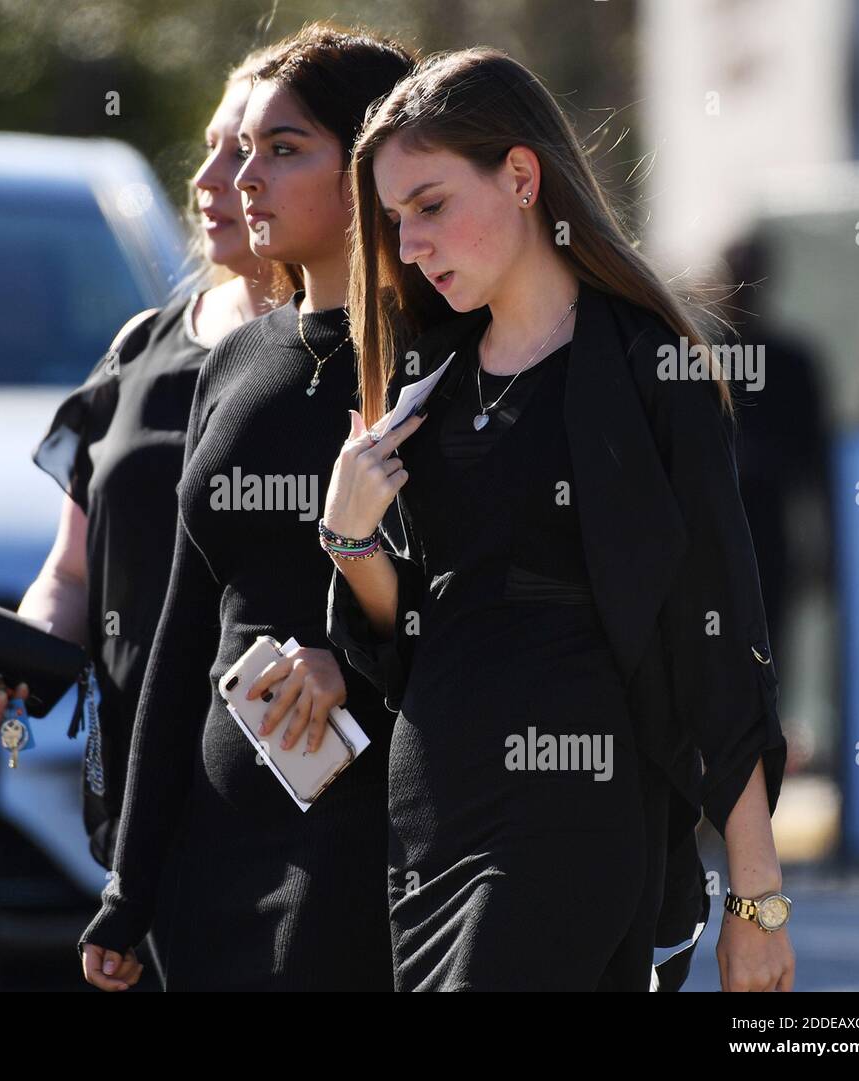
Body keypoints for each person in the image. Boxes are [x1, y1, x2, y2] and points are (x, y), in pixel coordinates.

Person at [323, 47, 793, 991]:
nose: (408, 245)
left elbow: (719, 636)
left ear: (523, 177)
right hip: (431, 814)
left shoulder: (646, 370)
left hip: (572, 808)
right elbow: (401, 636)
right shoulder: (429, 384)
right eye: (393, 219)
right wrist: (349, 537)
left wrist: (756, 901)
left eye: (430, 205)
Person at [77, 22, 418, 991]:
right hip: (209, 861)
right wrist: (130, 882)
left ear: (368, 166)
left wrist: (351, 660)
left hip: (358, 855)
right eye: (240, 150)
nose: (244, 178)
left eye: (282, 148)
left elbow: (481, 607)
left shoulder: (436, 364)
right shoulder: (235, 359)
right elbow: (186, 633)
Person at [0, 44, 280, 987]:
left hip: (296, 819)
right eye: (212, 149)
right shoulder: (142, 348)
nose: (213, 179)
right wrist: (19, 656)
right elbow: (73, 572)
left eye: (255, 149)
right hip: (140, 817)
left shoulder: (361, 360)